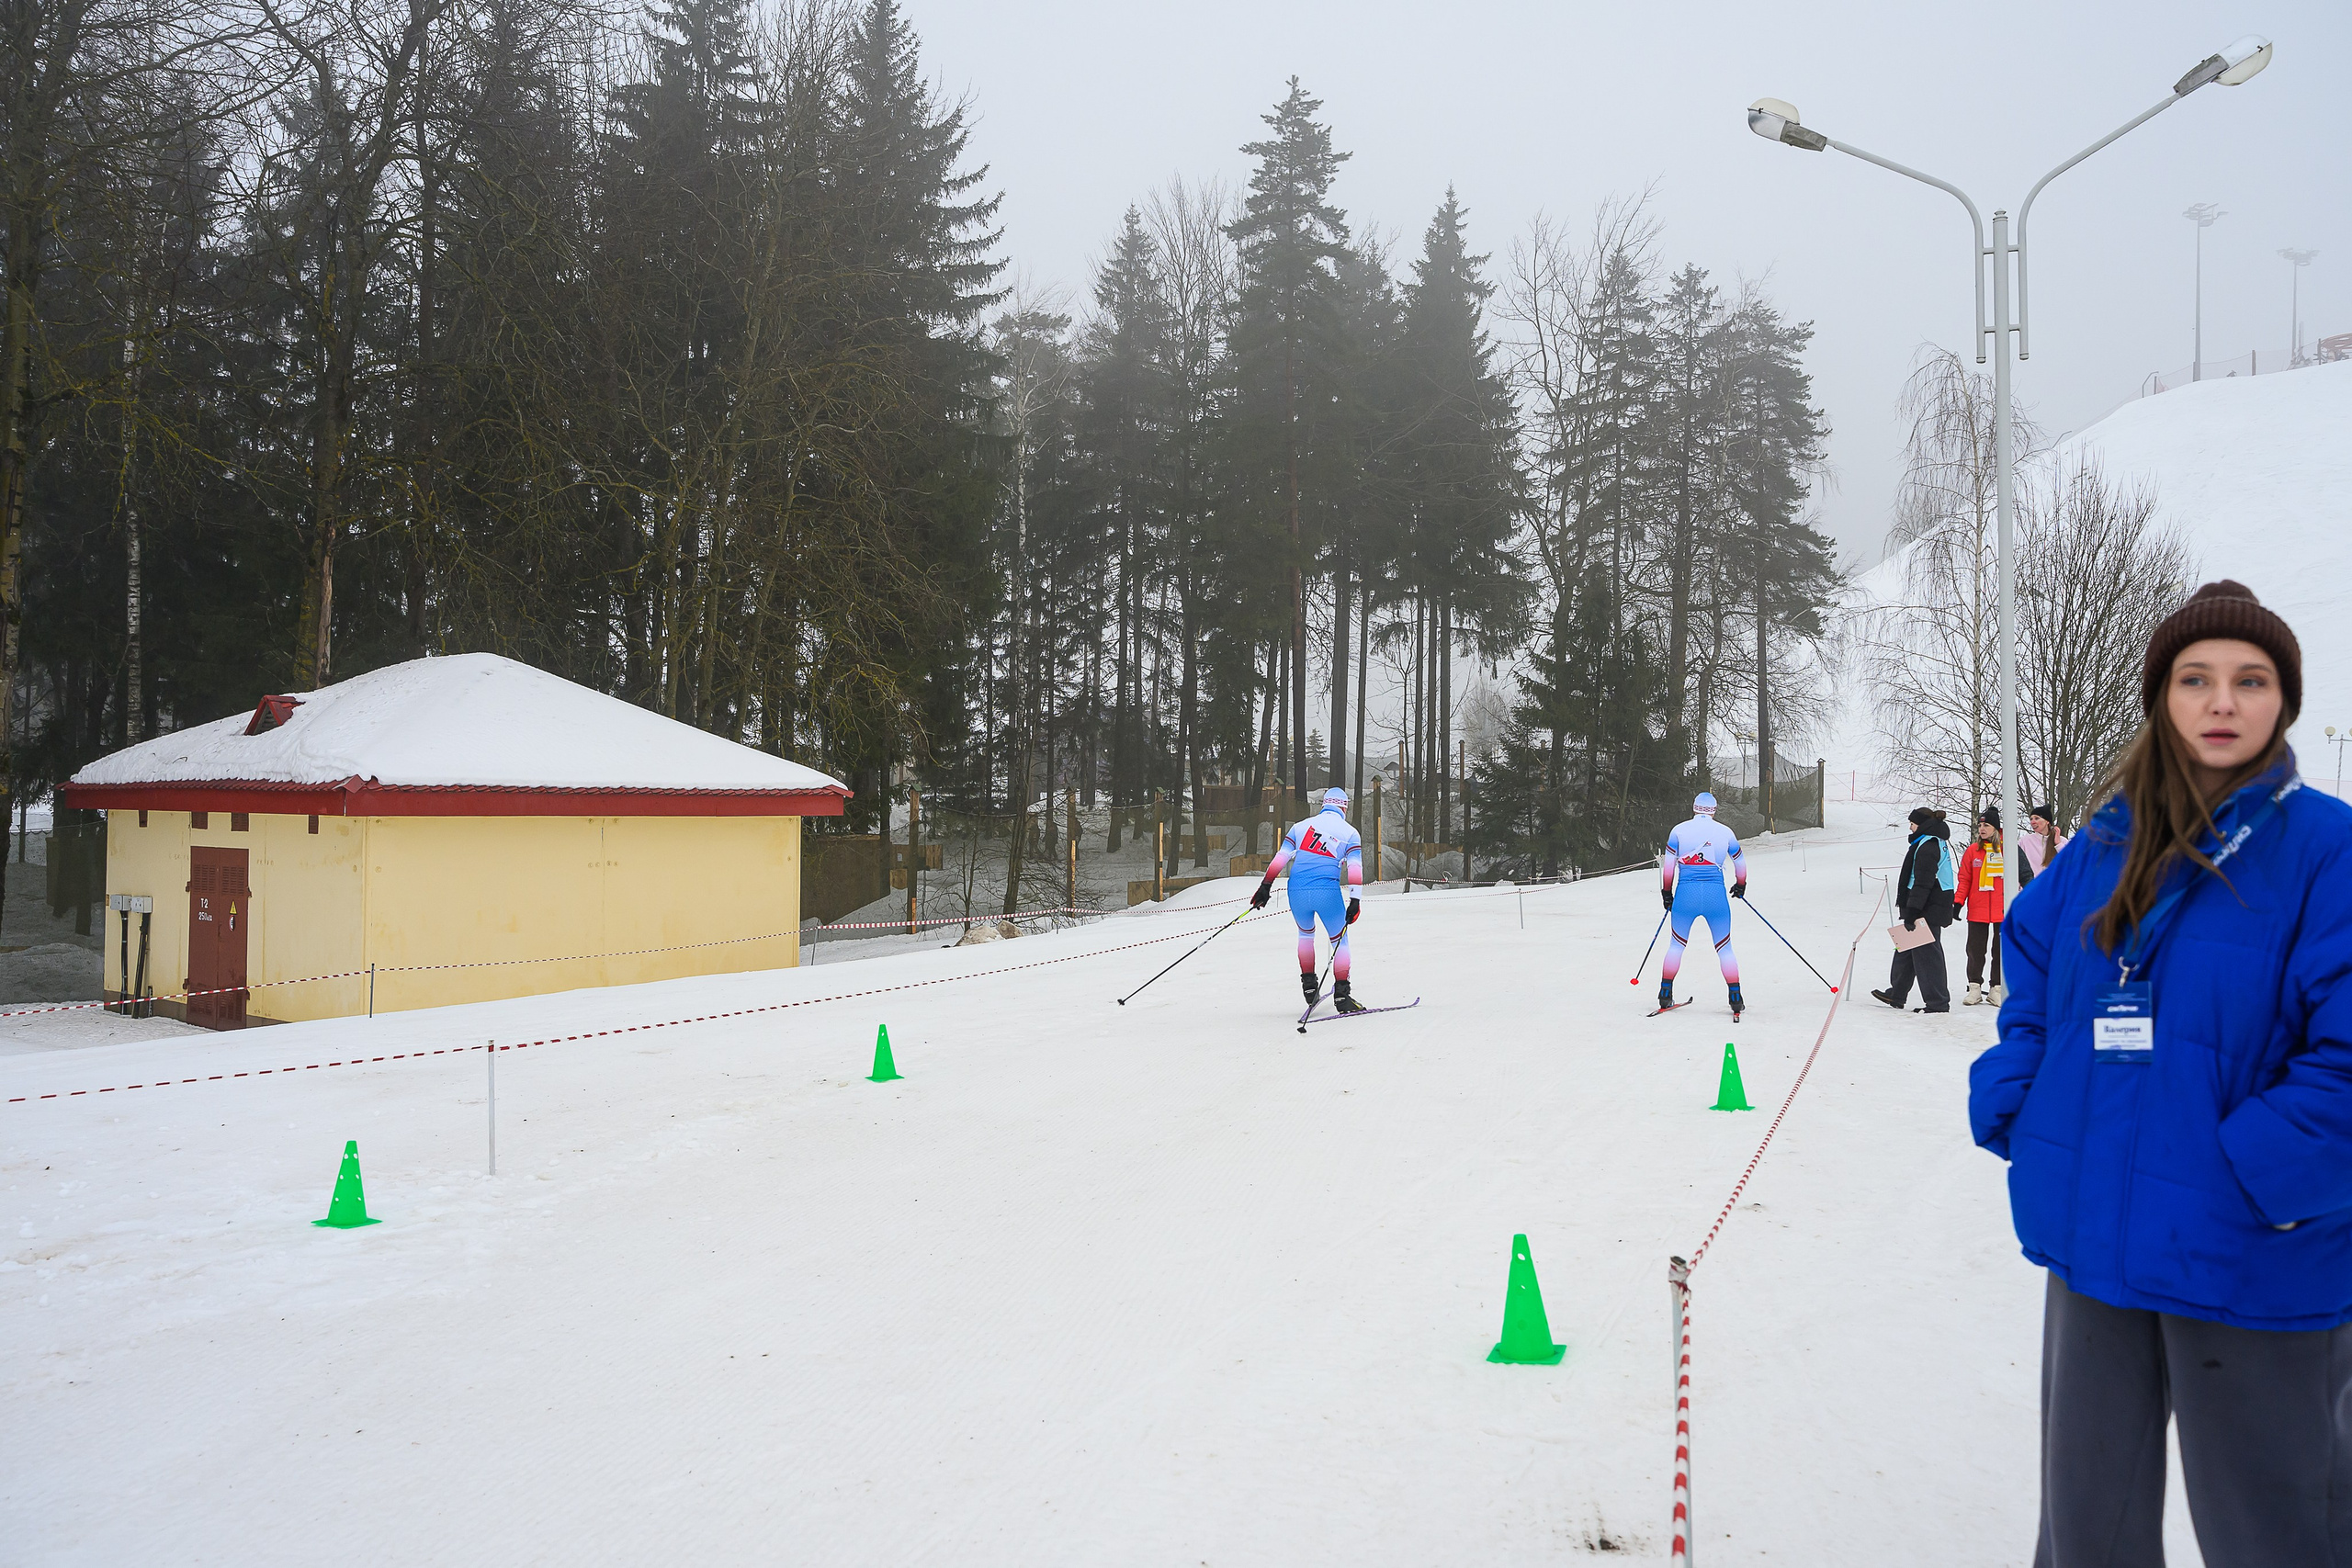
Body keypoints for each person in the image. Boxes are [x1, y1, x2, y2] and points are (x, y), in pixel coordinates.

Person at [1969, 580, 2352, 1565]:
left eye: (2249, 679)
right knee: (2088, 1533)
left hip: (2251, 1252)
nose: (2221, 702)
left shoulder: (2327, 848)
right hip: (2097, 1242)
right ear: (2161, 699)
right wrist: (2023, 1094)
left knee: (2278, 1533)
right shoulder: (2102, 841)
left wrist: (2248, 1175)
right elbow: (2035, 969)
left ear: (2282, 702)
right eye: (2195, 679)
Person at [1251, 785, 1366, 1012]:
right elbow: (1355, 866)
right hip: (1327, 892)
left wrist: (1265, 887)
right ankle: (1342, 996)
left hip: (1297, 891)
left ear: (1324, 804)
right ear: (1344, 807)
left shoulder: (1300, 827)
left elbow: (1281, 857)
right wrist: (1355, 900)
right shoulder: (1350, 833)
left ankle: (1309, 987)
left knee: (1305, 936)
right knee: (1339, 941)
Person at [1657, 791, 1747, 1017]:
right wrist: (1740, 885)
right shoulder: (1725, 832)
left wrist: (1667, 893)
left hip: (1686, 893)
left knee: (1676, 945)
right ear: (1714, 810)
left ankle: (1665, 993)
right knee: (1725, 947)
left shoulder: (1678, 830)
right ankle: (1735, 997)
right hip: (1715, 894)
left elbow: (1668, 867)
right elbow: (1740, 863)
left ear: (1694, 808)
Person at [1871, 807, 1953, 1013]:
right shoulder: (1927, 842)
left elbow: (1923, 882)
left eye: (1913, 824)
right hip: (1925, 904)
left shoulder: (1928, 845)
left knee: (1927, 955)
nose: (1910, 828)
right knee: (1906, 948)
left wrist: (1913, 911)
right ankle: (1896, 994)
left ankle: (1937, 1002)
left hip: (1928, 906)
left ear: (1923, 825)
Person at [1953, 807, 2007, 1006]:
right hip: (1978, 907)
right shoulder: (1972, 851)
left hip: (2002, 908)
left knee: (1999, 950)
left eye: (1987, 825)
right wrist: (1958, 902)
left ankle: (1996, 988)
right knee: (1975, 950)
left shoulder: (2007, 849)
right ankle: (1974, 987)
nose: (1982, 829)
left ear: (1996, 828)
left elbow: (2018, 877)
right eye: (1980, 825)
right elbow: (1965, 879)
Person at [2019, 803, 2070, 884]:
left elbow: (2071, 864)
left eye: (2037, 818)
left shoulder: (2062, 841)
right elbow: (2017, 866)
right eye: (2031, 819)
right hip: (2031, 891)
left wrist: (2058, 845)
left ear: (2047, 821)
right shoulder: (2024, 841)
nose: (2033, 822)